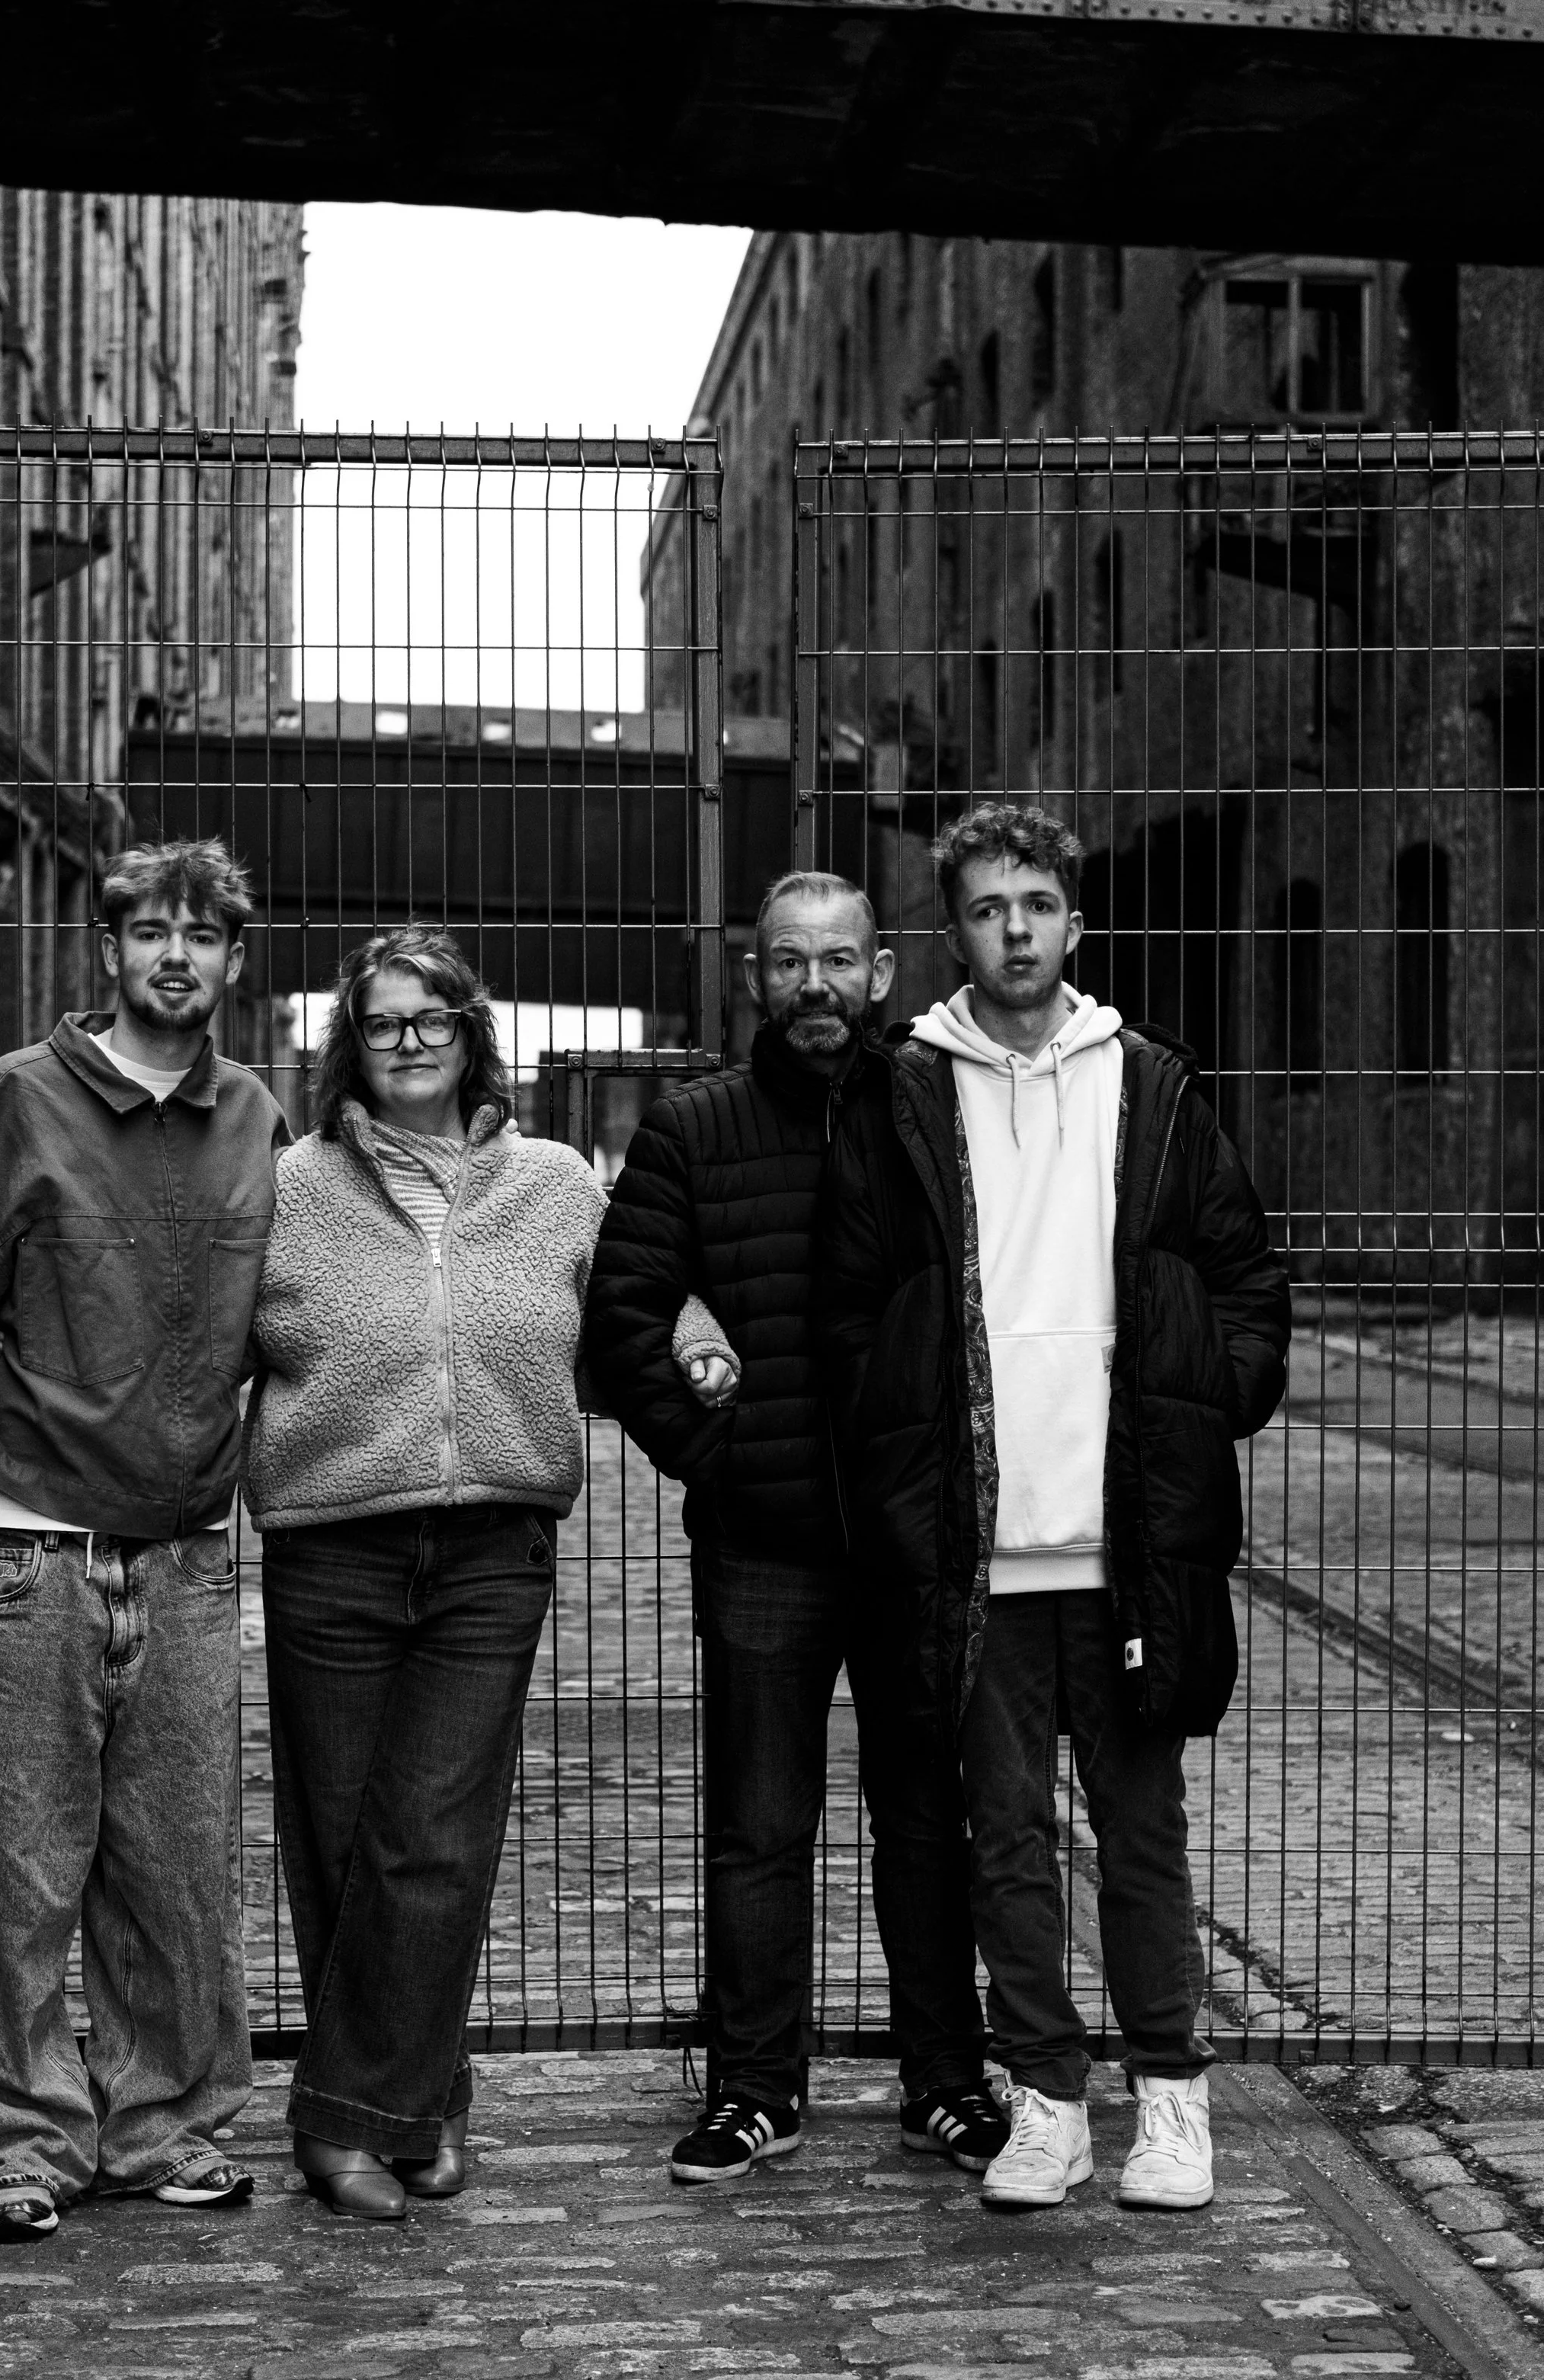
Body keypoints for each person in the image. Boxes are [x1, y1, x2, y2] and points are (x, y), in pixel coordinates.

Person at [817, 802, 1291, 2210]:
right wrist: (899, 1470)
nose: (1011, 928)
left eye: (1034, 902)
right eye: (983, 907)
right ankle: (1044, 2101)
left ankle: (1171, 2097)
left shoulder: (1148, 1082)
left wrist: (1209, 1399)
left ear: (1073, 923)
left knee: (1143, 1830)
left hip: (1125, 1535)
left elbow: (1245, 1281)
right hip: (973, 1544)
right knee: (1003, 1834)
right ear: (949, 930)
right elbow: (852, 1313)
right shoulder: (904, 1091)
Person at [243, 924, 736, 2221]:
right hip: (328, 1547)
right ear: (354, 1039)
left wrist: (694, 1338)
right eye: (384, 1022)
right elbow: (209, 1342)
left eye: (433, 1021)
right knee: (344, 1848)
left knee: (437, 1842)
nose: (409, 1043)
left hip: (489, 1555)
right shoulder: (289, 1184)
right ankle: (426, 2098)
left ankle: (345, 2124)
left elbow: (640, 1295)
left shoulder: (558, 1181)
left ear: (472, 1035)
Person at [0, 838, 287, 2242]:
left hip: (184, 1552)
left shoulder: (256, 1117)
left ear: (236, 962)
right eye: (146, 932)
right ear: (110, 951)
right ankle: (14, 2139)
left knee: (180, 1864)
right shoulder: (22, 1098)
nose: (172, 955)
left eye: (200, 935)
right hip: (27, 1547)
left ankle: (166, 2122)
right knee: (13, 1861)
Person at [585, 870, 1001, 2188]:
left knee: (928, 1813)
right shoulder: (693, 1129)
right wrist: (723, 1460)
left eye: (839, 961)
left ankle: (947, 2078)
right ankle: (757, 2087)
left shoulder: (938, 1109)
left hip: (910, 1536)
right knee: (761, 1820)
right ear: (752, 978)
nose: (814, 984)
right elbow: (624, 1326)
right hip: (763, 1541)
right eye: (787, 962)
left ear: (881, 975)